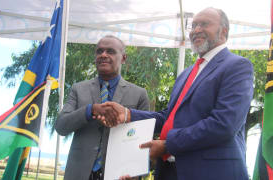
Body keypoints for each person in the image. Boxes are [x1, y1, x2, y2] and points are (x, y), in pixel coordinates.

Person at [100, 7, 254, 180]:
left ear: (223, 31)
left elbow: (224, 124)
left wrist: (167, 145)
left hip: (212, 172)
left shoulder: (238, 66)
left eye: (204, 24)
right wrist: (128, 114)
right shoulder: (186, 74)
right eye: (193, 25)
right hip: (169, 171)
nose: (196, 30)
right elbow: (170, 118)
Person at [55, 35, 150, 180]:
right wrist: (90, 110)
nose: (103, 55)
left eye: (110, 51)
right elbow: (61, 126)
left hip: (120, 175)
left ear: (123, 58)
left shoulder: (139, 94)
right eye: (99, 51)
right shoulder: (78, 89)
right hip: (78, 174)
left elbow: (143, 139)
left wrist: (137, 174)